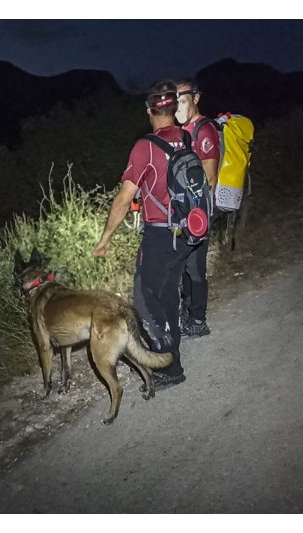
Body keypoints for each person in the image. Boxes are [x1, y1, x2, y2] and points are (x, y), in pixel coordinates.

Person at [92, 80, 190, 390]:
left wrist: (105, 238)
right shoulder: (185, 138)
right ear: (172, 109)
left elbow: (124, 199)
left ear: (149, 110)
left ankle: (168, 367)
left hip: (160, 234)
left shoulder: (145, 146)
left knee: (146, 301)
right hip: (185, 231)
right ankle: (171, 354)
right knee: (167, 296)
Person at [175, 79, 221, 338]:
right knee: (184, 267)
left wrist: (196, 211)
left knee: (195, 268)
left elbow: (210, 177)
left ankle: (198, 320)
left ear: (196, 98)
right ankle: (187, 314)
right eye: (175, 102)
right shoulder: (182, 132)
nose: (178, 107)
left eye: (182, 100)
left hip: (199, 211)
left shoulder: (204, 130)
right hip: (184, 212)